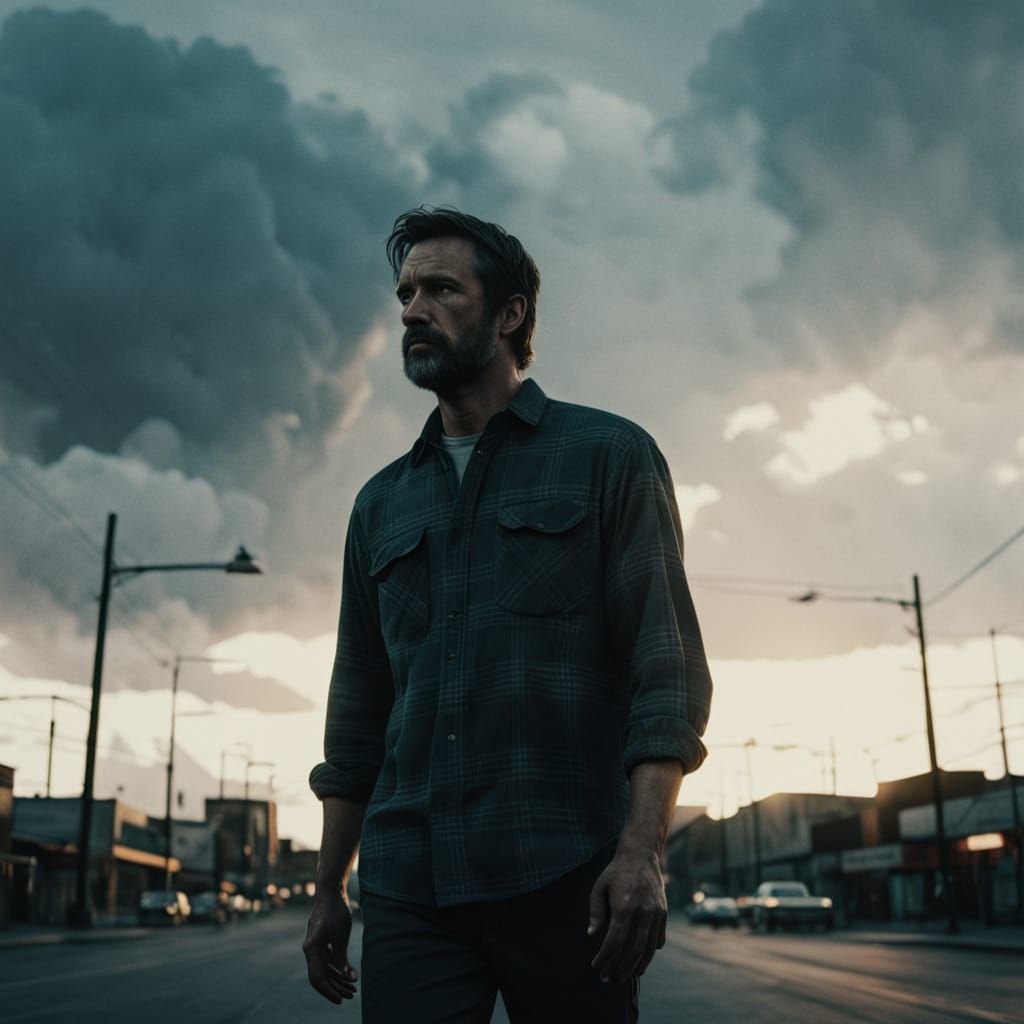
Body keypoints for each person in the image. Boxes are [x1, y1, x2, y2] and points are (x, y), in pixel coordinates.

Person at [304, 206, 712, 1022]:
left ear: (511, 313)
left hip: (566, 873)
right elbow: (357, 713)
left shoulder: (609, 458)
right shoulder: (379, 504)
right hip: (412, 884)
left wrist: (643, 851)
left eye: (442, 289)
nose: (413, 309)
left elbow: (663, 673)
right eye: (406, 292)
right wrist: (329, 889)